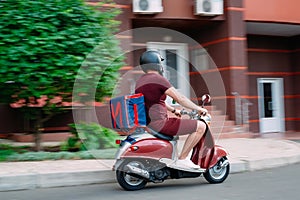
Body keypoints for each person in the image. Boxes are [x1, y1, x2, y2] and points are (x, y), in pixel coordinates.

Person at [135, 50, 207, 170]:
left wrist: (173, 110)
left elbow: (153, 100)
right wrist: (198, 108)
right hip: (160, 123)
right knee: (201, 126)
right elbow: (180, 98)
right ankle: (183, 159)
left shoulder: (140, 81)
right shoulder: (158, 79)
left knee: (179, 125)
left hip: (149, 123)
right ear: (156, 63)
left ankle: (175, 158)